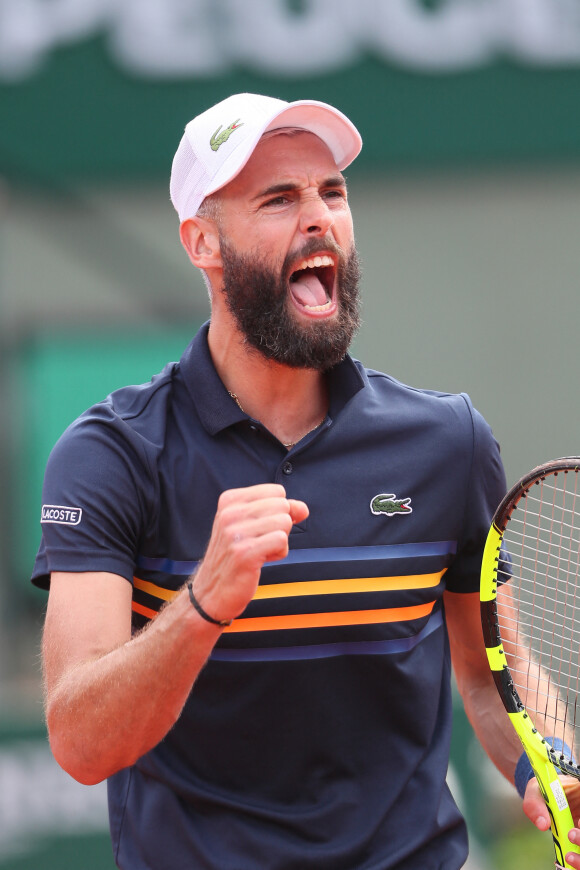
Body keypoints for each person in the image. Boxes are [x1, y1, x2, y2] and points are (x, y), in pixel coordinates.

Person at [33, 92, 580, 869]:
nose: (319, 217)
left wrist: (549, 764)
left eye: (333, 192)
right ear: (203, 243)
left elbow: (494, 677)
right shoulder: (112, 456)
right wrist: (202, 606)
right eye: (279, 199)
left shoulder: (447, 443)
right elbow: (82, 743)